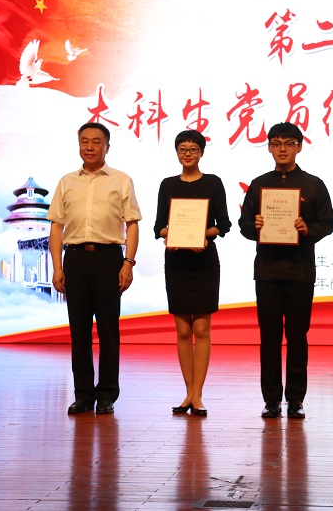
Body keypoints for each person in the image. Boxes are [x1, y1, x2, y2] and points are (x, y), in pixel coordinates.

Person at [239, 122, 333, 419]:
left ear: (299, 147)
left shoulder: (313, 184)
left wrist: (308, 229)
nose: (282, 149)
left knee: (297, 336)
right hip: (267, 271)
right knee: (269, 337)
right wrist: (254, 226)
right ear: (269, 147)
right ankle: (271, 400)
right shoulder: (259, 184)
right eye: (276, 143)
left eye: (289, 143)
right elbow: (244, 225)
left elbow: (328, 222)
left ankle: (295, 399)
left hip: (300, 271)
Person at [46, 122, 142, 416]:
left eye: (96, 142)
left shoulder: (121, 180)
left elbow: (132, 224)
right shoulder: (66, 182)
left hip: (108, 259)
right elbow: (56, 227)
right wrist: (57, 267)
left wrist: (128, 263)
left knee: (109, 331)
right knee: (79, 331)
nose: (89, 147)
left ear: (107, 147)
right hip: (75, 259)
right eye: (84, 141)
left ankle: (107, 394)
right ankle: (83, 394)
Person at [153, 130, 231, 417]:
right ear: (176, 153)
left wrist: (202, 235)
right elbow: (159, 226)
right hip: (177, 262)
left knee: (201, 329)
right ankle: (188, 392)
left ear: (201, 153)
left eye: (193, 149)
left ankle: (198, 394)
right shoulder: (167, 184)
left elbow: (224, 224)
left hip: (204, 262)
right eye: (182, 149)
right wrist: (170, 235)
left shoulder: (213, 183)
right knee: (183, 330)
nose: (187, 154)